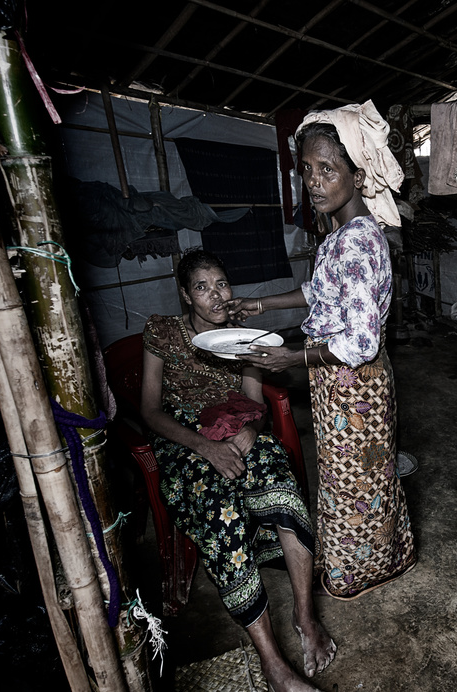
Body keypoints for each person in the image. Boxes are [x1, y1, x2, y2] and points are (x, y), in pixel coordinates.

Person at [230, 101, 417, 600]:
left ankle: (359, 570)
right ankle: (380, 556)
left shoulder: (358, 241)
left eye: (327, 170)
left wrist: (292, 358)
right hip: (340, 381)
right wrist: (260, 303)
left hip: (354, 385)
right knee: (354, 479)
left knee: (357, 486)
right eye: (307, 170)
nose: (314, 181)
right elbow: (320, 292)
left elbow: (359, 342)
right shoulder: (340, 234)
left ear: (357, 175)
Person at [140, 248, 334, 692]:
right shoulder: (163, 332)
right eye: (202, 288)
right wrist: (204, 448)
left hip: (234, 426)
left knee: (281, 485)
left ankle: (305, 616)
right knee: (219, 512)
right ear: (186, 297)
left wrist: (251, 431)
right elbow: (150, 411)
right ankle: (273, 664)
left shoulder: (245, 336)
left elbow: (255, 402)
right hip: (185, 439)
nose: (215, 295)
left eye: (221, 284)